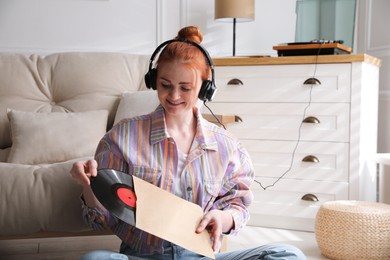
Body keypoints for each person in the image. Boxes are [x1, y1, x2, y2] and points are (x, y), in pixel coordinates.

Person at [70, 26, 306, 260]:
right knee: (95, 258)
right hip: (142, 255)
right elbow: (102, 223)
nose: (173, 96)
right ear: (153, 81)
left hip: (201, 256)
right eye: (165, 85)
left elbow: (238, 206)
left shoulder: (227, 146)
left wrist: (222, 219)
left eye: (185, 88)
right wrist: (89, 186)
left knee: (288, 254)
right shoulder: (122, 136)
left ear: (205, 87)